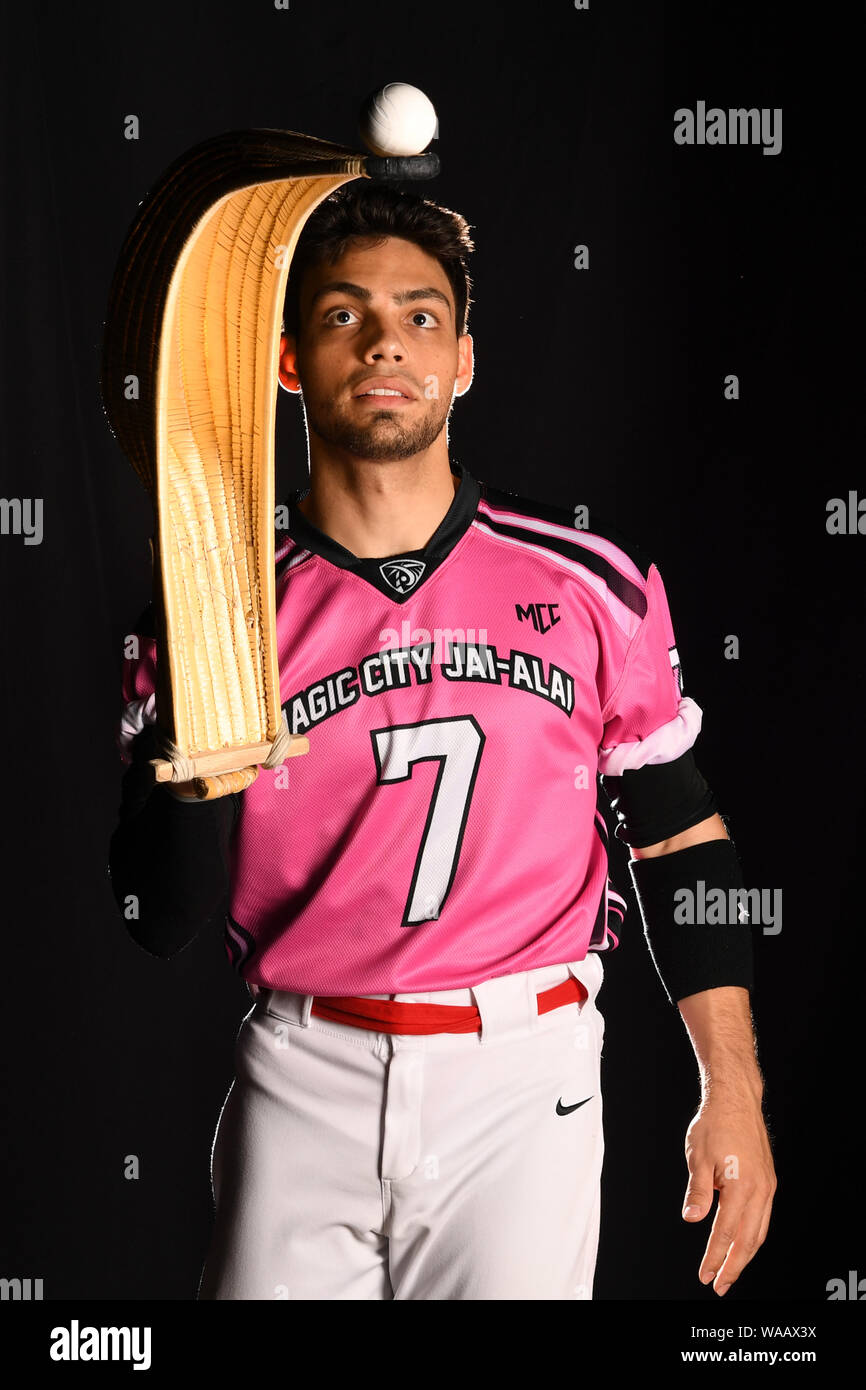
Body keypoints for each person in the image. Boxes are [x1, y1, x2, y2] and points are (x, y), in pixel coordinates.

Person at [109, 180, 776, 1301]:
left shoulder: (582, 582)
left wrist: (735, 1090)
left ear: (462, 360)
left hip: (522, 1079)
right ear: (285, 360)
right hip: (299, 1071)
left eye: (421, 316)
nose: (385, 343)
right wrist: (202, 752)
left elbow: (679, 838)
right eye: (342, 314)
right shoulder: (215, 613)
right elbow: (160, 921)